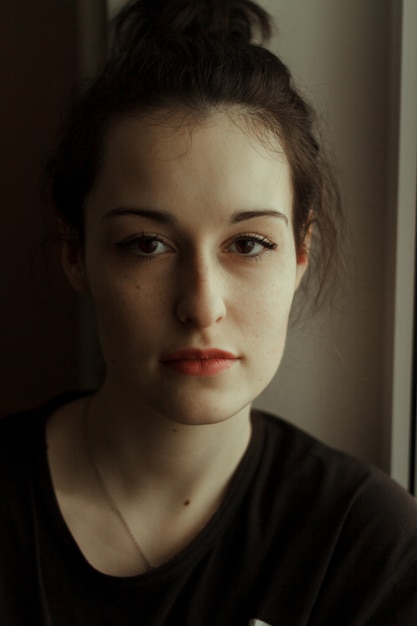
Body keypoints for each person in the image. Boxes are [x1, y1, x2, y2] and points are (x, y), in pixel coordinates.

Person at [1, 0, 417, 624]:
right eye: (147, 244)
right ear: (77, 255)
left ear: (299, 256)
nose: (201, 304)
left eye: (248, 244)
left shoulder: (370, 546)